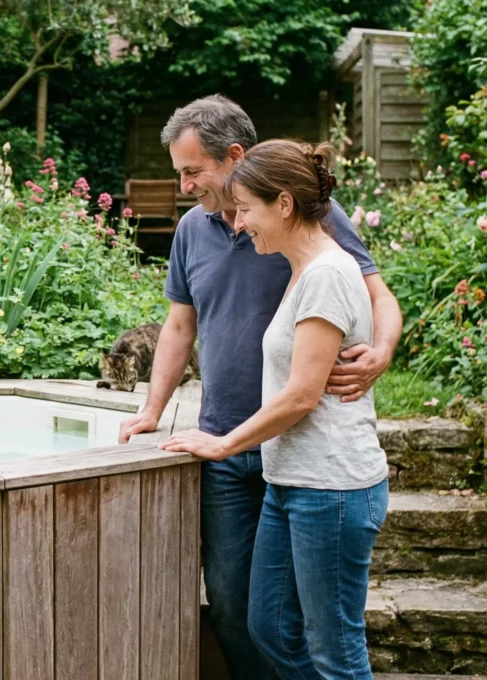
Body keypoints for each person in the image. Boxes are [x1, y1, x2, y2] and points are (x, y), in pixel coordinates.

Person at [117, 95, 401, 678]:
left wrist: (381, 351)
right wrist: (152, 409)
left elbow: (372, 298)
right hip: (242, 449)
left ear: (235, 157)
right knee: (245, 613)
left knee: (323, 634)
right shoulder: (195, 231)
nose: (184, 187)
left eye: (193, 171)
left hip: (308, 454)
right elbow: (179, 326)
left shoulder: (310, 228)